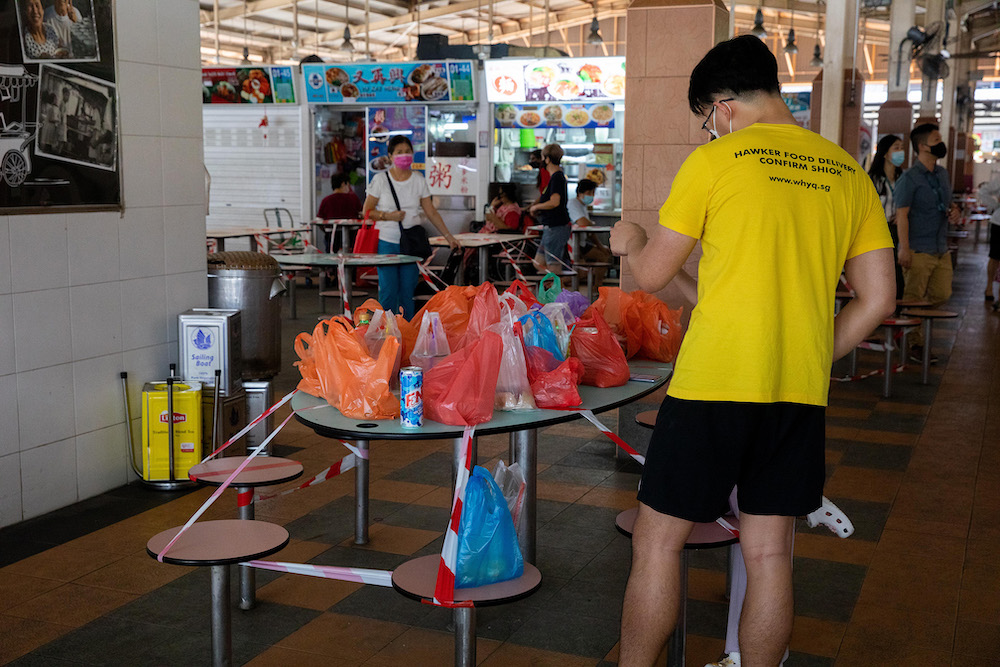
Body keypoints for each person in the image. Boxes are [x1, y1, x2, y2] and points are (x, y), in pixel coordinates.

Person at [611, 36, 895, 666]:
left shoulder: (716, 163)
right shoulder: (846, 171)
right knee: (769, 555)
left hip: (712, 385)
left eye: (706, 117)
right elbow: (877, 300)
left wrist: (629, 242)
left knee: (658, 544)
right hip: (796, 393)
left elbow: (654, 275)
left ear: (723, 105)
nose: (709, 129)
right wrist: (814, 355)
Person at [362, 135, 458, 319]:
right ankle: (387, 334)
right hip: (387, 242)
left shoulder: (418, 180)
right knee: (389, 292)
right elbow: (366, 211)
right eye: (399, 152)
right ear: (390, 156)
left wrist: (449, 237)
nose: (404, 155)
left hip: (411, 244)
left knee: (407, 291)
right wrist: (388, 216)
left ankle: (406, 333)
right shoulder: (381, 180)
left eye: (407, 151)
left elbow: (431, 212)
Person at [894, 123, 961, 361]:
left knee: (942, 293)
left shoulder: (942, 174)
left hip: (940, 247)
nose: (941, 144)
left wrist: (955, 211)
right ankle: (915, 344)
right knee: (915, 297)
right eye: (936, 140)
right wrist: (904, 248)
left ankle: (906, 324)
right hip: (918, 248)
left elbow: (949, 203)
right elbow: (901, 215)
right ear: (922, 147)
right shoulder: (909, 179)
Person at [868, 134, 906, 299]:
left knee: (900, 274)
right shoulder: (873, 180)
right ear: (884, 153)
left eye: (902, 148)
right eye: (896, 148)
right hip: (881, 231)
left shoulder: (903, 179)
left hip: (901, 231)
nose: (901, 152)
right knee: (888, 272)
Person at [528, 143, 571, 274]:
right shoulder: (555, 177)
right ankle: (553, 288)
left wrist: (536, 207)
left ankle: (558, 291)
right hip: (551, 227)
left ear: (547, 159)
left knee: (553, 266)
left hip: (556, 227)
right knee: (539, 262)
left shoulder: (557, 177)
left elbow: (554, 202)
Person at [568, 178, 613, 287]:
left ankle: (597, 286)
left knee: (605, 254)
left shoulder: (583, 206)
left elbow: (589, 230)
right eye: (589, 193)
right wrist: (600, 246)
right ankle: (597, 288)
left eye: (593, 193)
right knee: (602, 258)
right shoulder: (573, 203)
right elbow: (583, 223)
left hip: (582, 243)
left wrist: (601, 246)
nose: (591, 195)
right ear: (580, 193)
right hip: (574, 244)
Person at [317, 172, 362, 252]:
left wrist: (327, 229)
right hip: (351, 236)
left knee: (331, 260)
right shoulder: (353, 198)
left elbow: (319, 221)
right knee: (351, 259)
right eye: (348, 184)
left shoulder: (326, 200)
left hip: (332, 237)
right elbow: (362, 214)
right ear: (343, 184)